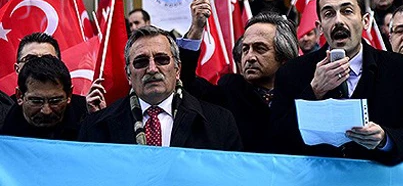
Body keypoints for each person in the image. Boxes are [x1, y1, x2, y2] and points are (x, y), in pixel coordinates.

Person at [270, 0, 403, 165]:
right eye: (329, 14)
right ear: (319, 27)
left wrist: (385, 140)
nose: (338, 21)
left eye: (347, 11)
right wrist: (313, 91)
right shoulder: (292, 73)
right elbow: (277, 139)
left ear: (365, 21)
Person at [79, 26, 242, 151]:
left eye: (161, 59)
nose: (152, 69)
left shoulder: (219, 123)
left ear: (177, 69)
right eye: (141, 62)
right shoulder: (95, 128)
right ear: (128, 74)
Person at [181, 13, 298, 153]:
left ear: (283, 56)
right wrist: (196, 31)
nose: (249, 57)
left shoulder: (304, 93)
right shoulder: (231, 91)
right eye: (245, 49)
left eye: (260, 49)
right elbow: (187, 83)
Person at [1, 55, 87, 140]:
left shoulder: (87, 117)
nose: (46, 111)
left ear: (69, 95)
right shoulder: (3, 122)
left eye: (55, 101)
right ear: (20, 96)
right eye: (36, 101)